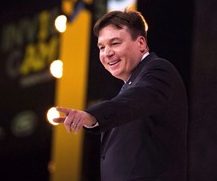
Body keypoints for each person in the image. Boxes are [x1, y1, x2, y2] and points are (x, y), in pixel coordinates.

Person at [53, 10, 188, 181]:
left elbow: (134, 101)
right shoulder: (126, 88)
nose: (106, 53)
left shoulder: (159, 70)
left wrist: (92, 115)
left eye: (115, 43)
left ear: (141, 43)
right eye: (102, 47)